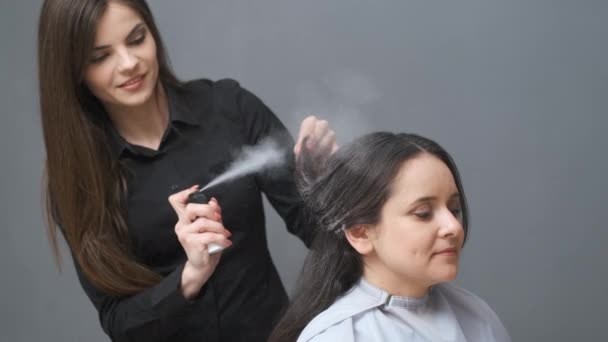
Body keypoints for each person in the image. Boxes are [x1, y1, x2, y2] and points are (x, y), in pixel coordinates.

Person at [37, 1, 337, 341]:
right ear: (74, 71)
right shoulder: (78, 182)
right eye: (100, 57)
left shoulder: (230, 108)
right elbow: (119, 323)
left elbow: (321, 233)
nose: (129, 63)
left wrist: (326, 183)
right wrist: (192, 275)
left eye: (136, 39)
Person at [270, 132, 511, 342]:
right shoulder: (338, 337)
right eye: (423, 213)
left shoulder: (477, 316)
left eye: (454, 209)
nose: (453, 227)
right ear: (360, 233)